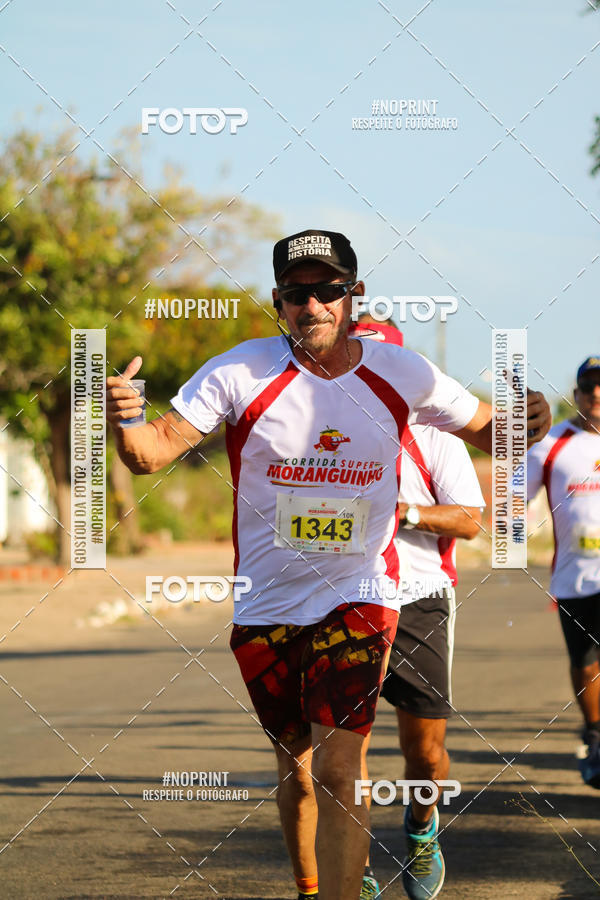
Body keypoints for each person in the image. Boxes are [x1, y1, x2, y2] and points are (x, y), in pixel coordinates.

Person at [106, 229, 551, 900]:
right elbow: (150, 453)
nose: (312, 306)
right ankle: (309, 887)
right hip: (268, 606)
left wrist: (532, 418)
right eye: (296, 294)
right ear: (278, 301)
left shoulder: (402, 371)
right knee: (297, 769)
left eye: (328, 291)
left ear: (353, 295)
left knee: (344, 768)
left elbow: (493, 430)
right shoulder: (239, 371)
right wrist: (124, 417)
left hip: (360, 594)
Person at [351, 318, 484, 900]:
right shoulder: (322, 433)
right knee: (339, 752)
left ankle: (422, 826)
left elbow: (471, 520)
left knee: (425, 754)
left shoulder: (435, 436)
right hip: (344, 600)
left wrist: (404, 512)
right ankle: (348, 861)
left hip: (420, 601)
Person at [528, 356, 600, 788]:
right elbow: (515, 500)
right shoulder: (551, 443)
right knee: (587, 664)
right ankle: (595, 735)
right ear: (575, 396)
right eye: (588, 387)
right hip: (575, 579)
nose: (596, 394)